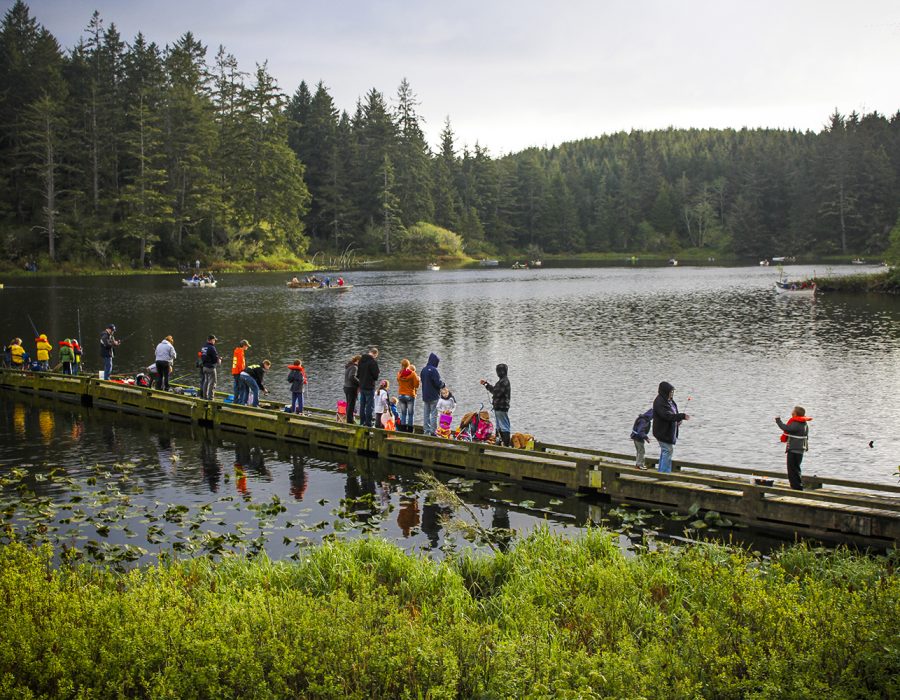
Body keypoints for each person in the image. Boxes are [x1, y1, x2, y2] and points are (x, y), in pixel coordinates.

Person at [652, 381, 689, 473]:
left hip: (668, 431)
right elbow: (666, 416)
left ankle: (661, 472)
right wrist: (681, 416)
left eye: (673, 392)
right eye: (670, 391)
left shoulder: (669, 401)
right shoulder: (659, 402)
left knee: (665, 451)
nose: (672, 393)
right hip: (662, 432)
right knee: (668, 450)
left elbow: (673, 413)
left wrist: (677, 420)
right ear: (665, 391)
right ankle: (664, 473)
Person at [776, 407, 812, 490]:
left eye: (793, 411)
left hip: (794, 449)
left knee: (792, 469)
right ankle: (798, 486)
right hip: (800, 449)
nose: (791, 412)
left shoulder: (796, 423)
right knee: (796, 468)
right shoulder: (804, 423)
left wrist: (778, 421)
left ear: (795, 414)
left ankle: (796, 487)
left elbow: (787, 428)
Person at [481, 364, 511, 446]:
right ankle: (499, 443)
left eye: (498, 371)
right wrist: (486, 384)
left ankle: (506, 444)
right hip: (498, 408)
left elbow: (496, 392)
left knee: (504, 426)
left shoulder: (504, 382)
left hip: (502, 407)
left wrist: (487, 386)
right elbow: (495, 390)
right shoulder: (502, 381)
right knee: (498, 426)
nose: (497, 373)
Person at [420, 352, 445, 436]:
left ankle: (426, 431)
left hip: (425, 396)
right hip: (434, 396)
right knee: (434, 415)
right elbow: (438, 383)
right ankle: (433, 432)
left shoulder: (423, 370)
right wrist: (443, 384)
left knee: (426, 415)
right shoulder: (434, 370)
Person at [357, 346, 380, 427]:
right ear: (375, 354)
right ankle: (368, 423)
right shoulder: (373, 362)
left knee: (362, 405)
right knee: (369, 406)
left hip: (362, 386)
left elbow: (358, 375)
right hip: (369, 387)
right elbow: (376, 376)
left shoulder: (361, 361)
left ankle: (361, 422)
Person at [396, 359, 420, 433]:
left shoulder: (399, 373)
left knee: (403, 413)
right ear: (408, 365)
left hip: (401, 395)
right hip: (409, 395)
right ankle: (409, 430)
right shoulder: (413, 374)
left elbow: (399, 381)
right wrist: (418, 379)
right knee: (410, 414)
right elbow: (416, 385)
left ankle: (403, 429)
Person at [199, 335, 220, 400]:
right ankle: (211, 398)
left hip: (204, 367)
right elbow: (215, 358)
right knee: (213, 382)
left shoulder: (203, 347)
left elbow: (202, 356)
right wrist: (219, 360)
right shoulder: (212, 347)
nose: (214, 342)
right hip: (210, 367)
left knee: (206, 382)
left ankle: (204, 397)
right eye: (214, 340)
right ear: (211, 340)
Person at [231, 339, 251, 404]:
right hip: (239, 372)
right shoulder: (240, 352)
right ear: (244, 346)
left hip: (235, 371)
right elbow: (240, 364)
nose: (247, 347)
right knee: (242, 387)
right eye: (247, 346)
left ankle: (235, 401)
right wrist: (243, 372)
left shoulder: (236, 351)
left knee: (236, 387)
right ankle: (240, 402)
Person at [343, 355, 361, 425]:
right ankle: (350, 421)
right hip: (351, 388)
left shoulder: (349, 366)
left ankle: (348, 419)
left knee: (349, 404)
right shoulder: (354, 367)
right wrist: (360, 383)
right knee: (351, 405)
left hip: (346, 387)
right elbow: (351, 377)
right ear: (358, 361)